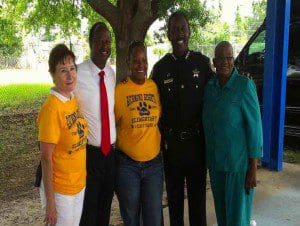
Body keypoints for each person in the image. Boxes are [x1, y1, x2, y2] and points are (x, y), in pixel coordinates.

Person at [151, 11, 212, 226]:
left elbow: (216, 99)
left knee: (197, 204)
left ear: (189, 32)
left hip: (196, 145)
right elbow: (152, 108)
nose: (179, 33)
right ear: (168, 34)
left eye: (183, 28)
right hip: (173, 147)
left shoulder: (203, 64)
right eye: (175, 29)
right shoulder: (159, 69)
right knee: (175, 203)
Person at [202, 41, 263, 226]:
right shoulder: (210, 87)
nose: (225, 62)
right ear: (214, 61)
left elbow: (255, 128)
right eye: (220, 58)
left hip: (238, 167)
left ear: (233, 60)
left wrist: (253, 168)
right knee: (223, 217)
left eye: (229, 58)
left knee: (237, 219)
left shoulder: (244, 86)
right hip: (216, 164)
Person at [38, 44, 88, 226]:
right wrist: (51, 204)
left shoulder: (72, 98)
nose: (70, 75)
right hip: (61, 191)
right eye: (63, 71)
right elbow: (45, 158)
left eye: (72, 69)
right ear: (53, 75)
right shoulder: (51, 109)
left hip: (78, 184)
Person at [115, 41, 163, 226]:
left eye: (144, 60)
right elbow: (112, 123)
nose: (141, 65)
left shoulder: (153, 87)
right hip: (128, 166)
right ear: (128, 62)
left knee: (153, 218)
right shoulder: (120, 90)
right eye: (136, 61)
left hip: (154, 165)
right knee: (131, 218)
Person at [75, 22, 117, 226]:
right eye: (99, 41)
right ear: (90, 43)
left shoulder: (111, 74)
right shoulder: (77, 73)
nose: (104, 46)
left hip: (111, 155)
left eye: (108, 41)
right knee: (88, 213)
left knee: (105, 210)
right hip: (89, 155)